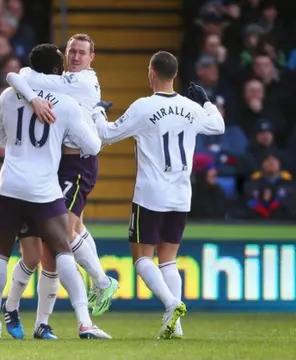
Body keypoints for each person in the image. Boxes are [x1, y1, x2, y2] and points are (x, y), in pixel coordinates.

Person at [91, 51, 225, 339]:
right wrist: (206, 101)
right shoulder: (191, 107)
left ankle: (172, 303)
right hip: (180, 194)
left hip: (150, 194)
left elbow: (106, 135)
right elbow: (218, 126)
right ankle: (174, 326)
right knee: (169, 260)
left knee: (142, 259)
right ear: (174, 75)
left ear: (151, 72)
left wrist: (97, 110)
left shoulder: (144, 107)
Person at [0, 43, 111, 340]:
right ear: (57, 70)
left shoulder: (8, 95)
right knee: (62, 251)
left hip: (10, 186)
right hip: (43, 190)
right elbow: (92, 147)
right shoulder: (66, 103)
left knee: (0, 253)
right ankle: (84, 321)